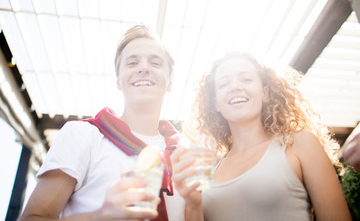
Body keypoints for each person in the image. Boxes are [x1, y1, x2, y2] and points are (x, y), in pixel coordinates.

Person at [19, 25, 185, 221]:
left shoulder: (186, 153)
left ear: (171, 81)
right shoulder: (83, 135)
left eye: (155, 63)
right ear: (117, 80)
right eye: (132, 63)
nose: (143, 68)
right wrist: (100, 216)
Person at [171, 52, 351, 220]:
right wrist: (193, 204)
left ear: (265, 93)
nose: (235, 87)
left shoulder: (298, 143)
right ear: (216, 103)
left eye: (246, 79)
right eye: (224, 83)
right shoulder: (211, 167)